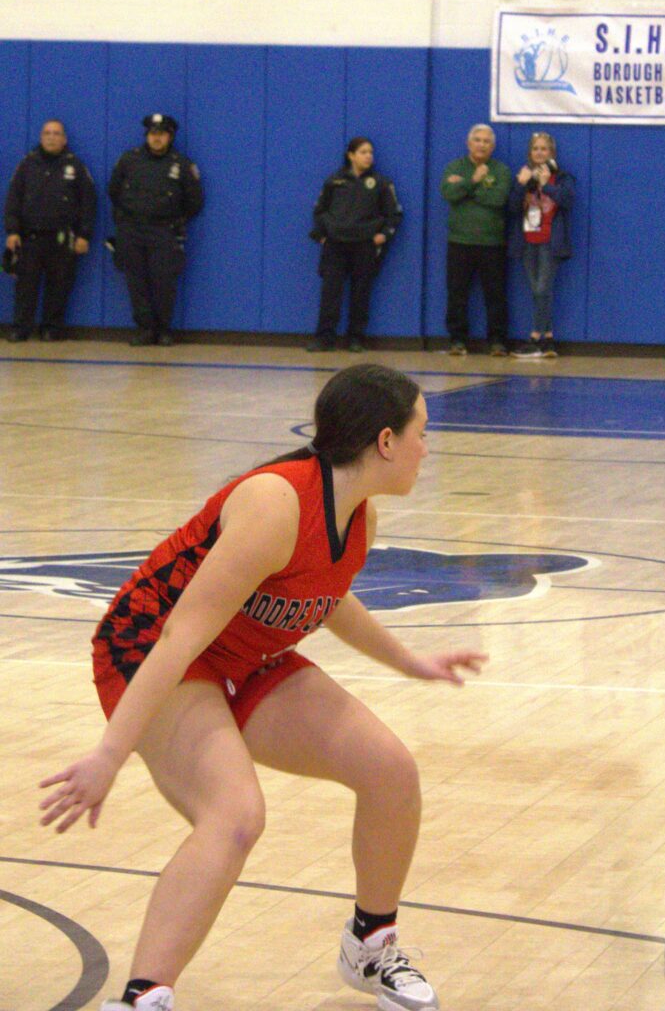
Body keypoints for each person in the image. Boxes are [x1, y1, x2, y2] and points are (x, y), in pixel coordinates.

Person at [39, 363, 486, 1011]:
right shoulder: (275, 502)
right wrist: (110, 753)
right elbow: (179, 637)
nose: (427, 447)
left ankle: (369, 945)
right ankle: (140, 999)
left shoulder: (357, 518)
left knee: (390, 770)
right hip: (153, 651)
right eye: (421, 432)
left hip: (246, 657)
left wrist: (409, 660)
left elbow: (325, 598)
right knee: (235, 814)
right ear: (385, 442)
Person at [108, 114, 204, 347]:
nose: (156, 138)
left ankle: (163, 330)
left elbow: (195, 202)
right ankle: (145, 329)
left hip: (164, 231)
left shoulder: (181, 165)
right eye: (153, 134)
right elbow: (114, 191)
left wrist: (173, 220)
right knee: (136, 282)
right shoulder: (129, 160)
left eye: (161, 134)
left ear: (170, 137)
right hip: (132, 230)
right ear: (147, 136)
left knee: (163, 283)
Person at [307, 137, 403, 353]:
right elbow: (320, 210)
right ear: (351, 155)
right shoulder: (334, 181)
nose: (368, 156)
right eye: (363, 152)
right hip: (336, 244)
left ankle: (356, 338)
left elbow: (394, 214)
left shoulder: (381, 183)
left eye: (370, 152)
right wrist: (322, 235)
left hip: (364, 245)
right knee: (330, 292)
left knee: (361, 293)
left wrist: (384, 235)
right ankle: (324, 337)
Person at [3, 119, 96, 342]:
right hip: (30, 237)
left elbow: (88, 203)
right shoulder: (27, 164)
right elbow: (13, 199)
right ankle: (21, 328)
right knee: (26, 286)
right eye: (47, 133)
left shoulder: (75, 166)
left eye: (56, 133)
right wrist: (12, 230)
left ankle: (51, 328)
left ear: (64, 139)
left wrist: (84, 235)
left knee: (59, 286)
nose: (51, 137)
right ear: (41, 137)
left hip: (63, 239)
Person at [440, 124, 511, 356]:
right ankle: (457, 340)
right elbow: (449, 195)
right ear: (469, 143)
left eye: (486, 141)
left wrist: (466, 188)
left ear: (493, 146)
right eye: (477, 140)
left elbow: (499, 199)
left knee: (495, 294)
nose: (481, 144)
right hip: (460, 241)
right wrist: (473, 180)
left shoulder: (500, 170)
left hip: (492, 243)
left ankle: (497, 341)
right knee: (457, 293)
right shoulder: (455, 166)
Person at [508, 132, 575, 359]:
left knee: (541, 289)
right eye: (535, 148)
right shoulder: (525, 177)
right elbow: (512, 208)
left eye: (543, 149)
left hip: (550, 241)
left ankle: (534, 337)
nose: (539, 152)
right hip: (528, 241)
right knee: (537, 290)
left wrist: (546, 185)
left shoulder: (563, 178)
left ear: (552, 153)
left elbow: (567, 201)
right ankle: (549, 338)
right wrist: (520, 185)